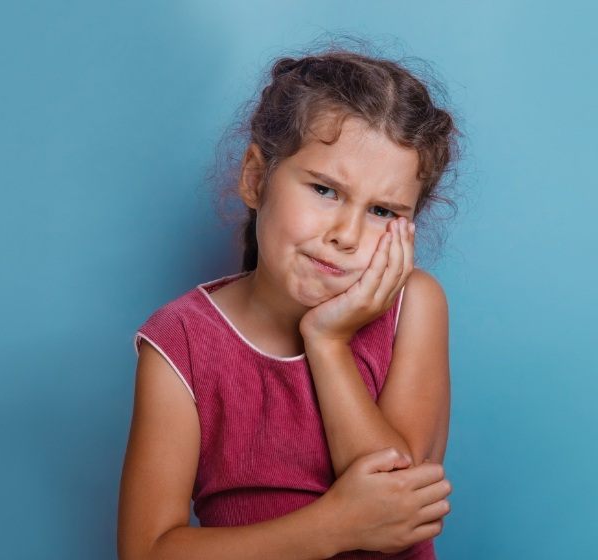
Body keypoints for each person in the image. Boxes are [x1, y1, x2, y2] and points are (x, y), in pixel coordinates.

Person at [118, 42, 460, 560]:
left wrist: (327, 340)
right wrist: (331, 527)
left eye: (383, 212)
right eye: (325, 190)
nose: (346, 235)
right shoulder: (180, 342)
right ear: (257, 178)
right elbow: (147, 551)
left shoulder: (414, 306)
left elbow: (399, 504)